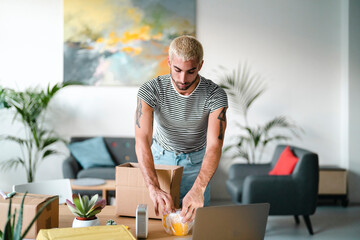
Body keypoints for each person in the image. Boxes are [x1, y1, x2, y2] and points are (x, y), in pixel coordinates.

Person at [135, 35, 228, 223]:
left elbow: (214, 146)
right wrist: (153, 187)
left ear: (200, 66)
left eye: (190, 71)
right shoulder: (151, 90)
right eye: (177, 70)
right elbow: (142, 140)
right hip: (160, 161)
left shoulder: (215, 95)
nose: (182, 79)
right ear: (169, 62)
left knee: (196, 225)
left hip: (197, 164)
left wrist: (199, 188)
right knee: (157, 224)